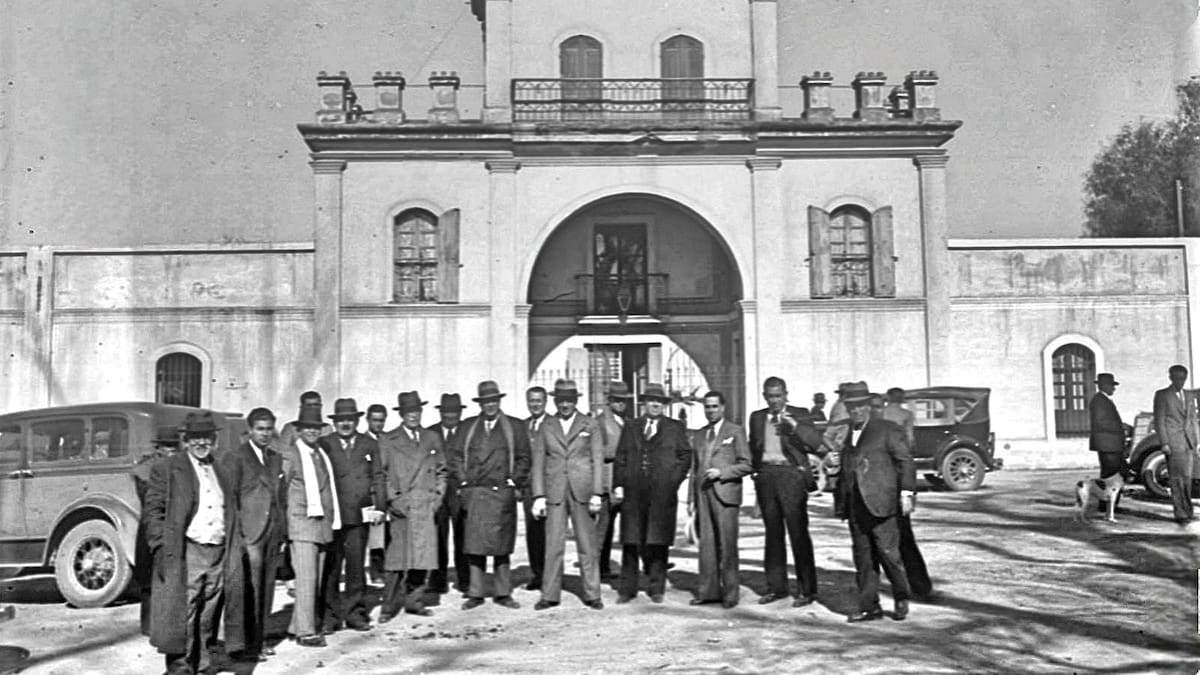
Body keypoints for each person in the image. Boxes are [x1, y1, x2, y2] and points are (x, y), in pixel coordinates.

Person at [143, 411, 237, 674]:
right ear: (186, 440)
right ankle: (180, 667)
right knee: (184, 611)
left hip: (217, 549)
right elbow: (153, 511)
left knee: (209, 611)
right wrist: (160, 545)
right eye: (195, 437)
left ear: (213, 440)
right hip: (188, 550)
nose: (201, 442)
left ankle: (203, 663)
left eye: (206, 437)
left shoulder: (222, 469)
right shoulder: (168, 468)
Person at [448, 380, 531, 610]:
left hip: (501, 493)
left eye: (494, 401)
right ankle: (476, 592)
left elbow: (524, 457)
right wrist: (463, 481)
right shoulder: (468, 427)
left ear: (499, 401)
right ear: (480, 404)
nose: (490, 405)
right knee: (475, 545)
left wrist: (514, 481)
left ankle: (503, 592)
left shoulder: (514, 426)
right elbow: (455, 457)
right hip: (475, 494)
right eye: (486, 402)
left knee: (501, 546)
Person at [839, 382, 915, 623]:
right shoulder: (847, 433)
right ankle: (869, 607)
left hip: (882, 502)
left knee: (889, 554)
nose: (857, 411)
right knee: (863, 559)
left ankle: (901, 596)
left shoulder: (887, 429)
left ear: (869, 406)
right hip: (856, 504)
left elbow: (905, 461)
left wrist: (906, 493)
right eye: (852, 407)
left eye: (861, 406)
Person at [748, 376, 823, 607]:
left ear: (786, 395)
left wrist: (795, 426)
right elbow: (753, 446)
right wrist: (756, 472)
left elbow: (815, 442)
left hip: (791, 475)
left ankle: (807, 590)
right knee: (773, 534)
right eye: (770, 396)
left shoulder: (800, 414)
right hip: (767, 477)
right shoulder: (757, 417)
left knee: (798, 533)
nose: (775, 401)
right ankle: (776, 588)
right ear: (764, 396)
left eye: (779, 396)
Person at [529, 379, 605, 610]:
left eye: (569, 400)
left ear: (575, 401)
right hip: (555, 491)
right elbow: (538, 461)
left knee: (587, 544)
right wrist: (538, 495)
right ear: (555, 401)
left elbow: (598, 459)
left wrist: (597, 492)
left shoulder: (589, 424)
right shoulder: (547, 425)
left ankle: (592, 593)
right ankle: (550, 594)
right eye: (561, 400)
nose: (565, 405)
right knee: (553, 545)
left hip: (582, 490)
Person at [613, 383, 691, 604]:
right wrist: (619, 484)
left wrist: (673, 480)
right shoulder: (631, 426)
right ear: (644, 404)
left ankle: (656, 588)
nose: (655, 405)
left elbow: (685, 456)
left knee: (658, 540)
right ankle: (627, 589)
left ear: (664, 405)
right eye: (651, 401)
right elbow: (621, 456)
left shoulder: (675, 427)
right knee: (631, 541)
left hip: (661, 494)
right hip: (634, 493)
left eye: (659, 402)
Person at [375, 391, 447, 621]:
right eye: (408, 412)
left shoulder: (431, 437)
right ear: (402, 414)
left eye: (416, 411)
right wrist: (393, 500)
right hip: (402, 506)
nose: (413, 415)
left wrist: (437, 498)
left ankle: (414, 601)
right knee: (396, 560)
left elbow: (442, 471)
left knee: (422, 558)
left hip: (425, 505)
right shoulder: (388, 440)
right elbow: (381, 475)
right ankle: (388, 607)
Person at [222, 407, 286, 663]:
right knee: (248, 590)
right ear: (249, 430)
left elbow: (279, 496)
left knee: (267, 588)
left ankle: (259, 640)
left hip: (271, 532)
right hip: (249, 533)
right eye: (260, 429)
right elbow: (230, 498)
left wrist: (281, 532)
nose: (265, 434)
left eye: (269, 429)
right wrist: (237, 536)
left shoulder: (274, 458)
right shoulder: (236, 457)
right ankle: (245, 645)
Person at [318, 398, 381, 633]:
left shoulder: (369, 444)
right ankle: (330, 616)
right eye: (341, 420)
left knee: (356, 567)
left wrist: (379, 506)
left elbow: (378, 476)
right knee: (332, 568)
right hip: (334, 517)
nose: (345, 424)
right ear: (335, 423)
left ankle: (355, 614)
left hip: (358, 517)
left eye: (350, 420)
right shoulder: (325, 444)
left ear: (357, 421)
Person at [279, 405, 339, 647]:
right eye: (307, 428)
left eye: (316, 428)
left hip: (321, 525)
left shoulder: (321, 453)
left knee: (313, 581)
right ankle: (306, 633)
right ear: (299, 430)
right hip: (301, 525)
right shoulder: (292, 455)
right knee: (306, 580)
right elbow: (281, 491)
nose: (312, 432)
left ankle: (296, 626)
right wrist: (285, 526)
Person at [688, 391, 752, 609]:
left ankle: (730, 593)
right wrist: (691, 499)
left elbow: (747, 464)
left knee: (727, 545)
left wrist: (722, 473)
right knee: (706, 545)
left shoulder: (735, 431)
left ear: (723, 408)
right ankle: (708, 592)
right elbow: (694, 469)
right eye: (707, 407)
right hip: (704, 495)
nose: (711, 411)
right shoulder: (699, 434)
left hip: (725, 495)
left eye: (715, 406)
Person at [880, 387, 932, 600]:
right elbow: (910, 442)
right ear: (900, 399)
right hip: (898, 474)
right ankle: (920, 587)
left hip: (879, 476)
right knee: (905, 536)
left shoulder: (879, 414)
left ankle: (895, 587)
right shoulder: (906, 415)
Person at [132, 425, 179, 637]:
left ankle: (166, 624)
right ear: (159, 448)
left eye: (175, 447)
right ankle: (149, 626)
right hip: (152, 527)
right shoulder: (147, 468)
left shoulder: (177, 466)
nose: (172, 451)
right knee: (149, 578)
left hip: (173, 526)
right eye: (168, 447)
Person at [428, 393, 468, 594]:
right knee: (437, 536)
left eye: (454, 412)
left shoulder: (468, 431)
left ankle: (465, 580)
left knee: (464, 535)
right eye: (446, 412)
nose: (450, 416)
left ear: (460, 413)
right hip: (438, 491)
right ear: (440, 413)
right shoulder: (431, 433)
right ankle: (437, 581)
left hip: (461, 489)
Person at [594, 381, 632, 580]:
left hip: (625, 481)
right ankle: (596, 568)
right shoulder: (601, 422)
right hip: (607, 482)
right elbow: (598, 452)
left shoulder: (626, 421)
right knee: (603, 528)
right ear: (609, 400)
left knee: (626, 526)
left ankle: (609, 566)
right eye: (617, 400)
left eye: (624, 400)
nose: (621, 403)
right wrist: (623, 452)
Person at [1153, 365, 1200, 524]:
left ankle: (1188, 510)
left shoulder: (1189, 395)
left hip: (1189, 442)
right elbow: (1159, 421)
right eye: (1177, 378)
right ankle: (1180, 513)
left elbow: (1193, 420)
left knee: (1187, 478)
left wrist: (1197, 442)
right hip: (1173, 442)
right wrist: (1164, 443)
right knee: (1177, 479)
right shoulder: (1162, 395)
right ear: (1171, 378)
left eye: (1183, 378)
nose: (1180, 381)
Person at [522, 386, 550, 591]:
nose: (535, 405)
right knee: (533, 533)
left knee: (551, 532)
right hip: (529, 488)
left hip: (550, 486)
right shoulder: (523, 426)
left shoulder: (554, 424)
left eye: (539, 400)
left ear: (545, 402)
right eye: (532, 401)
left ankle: (551, 575)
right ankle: (537, 574)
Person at [1089, 373, 1128, 513]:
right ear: (1103, 386)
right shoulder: (1099, 401)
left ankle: (1109, 504)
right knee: (1111, 476)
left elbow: (1106, 421)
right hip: (1108, 444)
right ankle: (1107, 505)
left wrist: (1121, 426)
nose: (1113, 388)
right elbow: (1101, 422)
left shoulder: (1102, 400)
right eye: (1111, 385)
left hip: (1110, 443)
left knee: (1113, 475)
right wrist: (1120, 427)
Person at [365, 403, 390, 586]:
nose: (378, 424)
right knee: (375, 536)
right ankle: (376, 572)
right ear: (368, 420)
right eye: (375, 420)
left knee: (389, 534)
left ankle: (390, 570)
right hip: (372, 493)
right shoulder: (363, 441)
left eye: (381, 420)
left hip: (388, 491)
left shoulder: (388, 440)